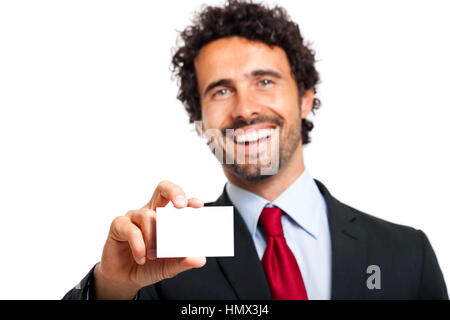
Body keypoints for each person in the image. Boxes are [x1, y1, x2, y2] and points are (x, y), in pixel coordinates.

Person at [63, 0, 448, 300]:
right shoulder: (163, 258)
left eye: (264, 80)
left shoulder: (406, 254)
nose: (245, 109)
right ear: (200, 120)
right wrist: (110, 287)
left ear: (305, 99)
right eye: (221, 90)